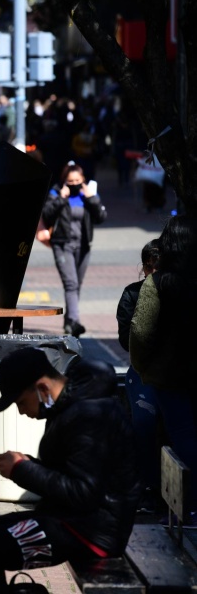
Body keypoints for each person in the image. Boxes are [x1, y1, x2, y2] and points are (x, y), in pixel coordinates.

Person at [0, 347, 140, 593]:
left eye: (21, 402)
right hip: (68, 518)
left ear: (42, 389)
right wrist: (28, 464)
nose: (21, 411)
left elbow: (83, 493)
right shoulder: (69, 405)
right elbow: (70, 475)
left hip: (90, 532)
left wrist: (21, 469)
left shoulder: (90, 416)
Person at [130, 216, 197, 524]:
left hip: (169, 376)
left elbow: (140, 333)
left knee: (182, 435)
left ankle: (189, 507)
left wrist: (144, 369)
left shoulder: (156, 283)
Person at [116, 239, 161, 510]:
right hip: (144, 371)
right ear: (144, 267)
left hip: (172, 372)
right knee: (144, 425)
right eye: (151, 267)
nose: (155, 273)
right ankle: (147, 485)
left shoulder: (178, 289)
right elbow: (127, 339)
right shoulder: (133, 294)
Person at [41, 162, 107, 337]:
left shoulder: (87, 195)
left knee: (76, 285)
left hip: (84, 246)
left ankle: (69, 322)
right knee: (71, 284)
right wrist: (62, 198)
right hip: (62, 244)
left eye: (78, 180)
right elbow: (46, 215)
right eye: (71, 181)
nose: (75, 184)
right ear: (64, 181)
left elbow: (101, 217)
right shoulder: (56, 193)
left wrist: (92, 198)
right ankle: (75, 322)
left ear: (83, 180)